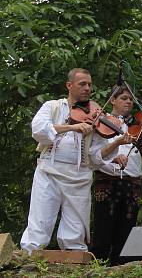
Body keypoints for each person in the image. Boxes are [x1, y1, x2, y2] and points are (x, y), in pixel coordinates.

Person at [21, 68, 98, 253]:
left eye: (89, 84)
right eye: (82, 84)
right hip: (50, 170)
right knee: (40, 219)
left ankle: (75, 261)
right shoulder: (53, 106)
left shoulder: (94, 114)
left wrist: (118, 144)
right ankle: (29, 258)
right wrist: (71, 127)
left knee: (76, 228)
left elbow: (96, 151)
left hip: (79, 174)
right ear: (69, 85)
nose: (87, 88)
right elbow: (38, 130)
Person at [88, 85, 142, 265]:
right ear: (113, 100)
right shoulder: (102, 123)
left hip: (132, 184)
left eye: (131, 99)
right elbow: (94, 155)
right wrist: (117, 144)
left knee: (126, 233)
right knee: (103, 232)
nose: (129, 102)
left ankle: (119, 268)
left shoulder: (137, 126)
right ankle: (97, 268)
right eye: (123, 98)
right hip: (107, 181)